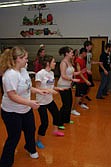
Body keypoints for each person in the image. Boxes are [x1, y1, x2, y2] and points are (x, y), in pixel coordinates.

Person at [0, 46, 49, 167]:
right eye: (25, 58)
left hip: (25, 109)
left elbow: (27, 86)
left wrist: (38, 91)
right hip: (11, 112)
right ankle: (5, 162)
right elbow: (12, 95)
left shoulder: (23, 70)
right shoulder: (10, 74)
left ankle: (30, 147)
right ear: (18, 59)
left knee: (30, 129)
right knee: (14, 137)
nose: (27, 60)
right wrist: (30, 103)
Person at [35, 55, 64, 149]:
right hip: (41, 102)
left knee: (57, 115)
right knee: (45, 123)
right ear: (48, 63)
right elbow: (38, 88)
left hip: (49, 100)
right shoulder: (40, 74)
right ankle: (38, 140)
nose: (55, 63)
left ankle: (55, 130)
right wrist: (49, 91)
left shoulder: (51, 73)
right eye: (54, 62)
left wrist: (57, 88)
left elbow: (51, 86)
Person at [57, 46, 80, 129]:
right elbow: (63, 75)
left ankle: (66, 119)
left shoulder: (69, 61)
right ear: (66, 53)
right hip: (62, 85)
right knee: (65, 104)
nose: (72, 53)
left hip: (68, 85)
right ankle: (59, 122)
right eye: (71, 52)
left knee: (69, 103)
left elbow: (71, 73)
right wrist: (72, 79)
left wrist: (79, 72)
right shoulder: (63, 63)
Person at [71, 48, 91, 116]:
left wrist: (87, 71)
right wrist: (86, 80)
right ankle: (73, 110)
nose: (86, 55)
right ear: (82, 53)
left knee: (85, 93)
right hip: (80, 80)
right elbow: (79, 72)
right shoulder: (77, 60)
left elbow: (84, 68)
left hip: (85, 78)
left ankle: (82, 104)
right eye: (85, 53)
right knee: (78, 96)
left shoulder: (83, 60)